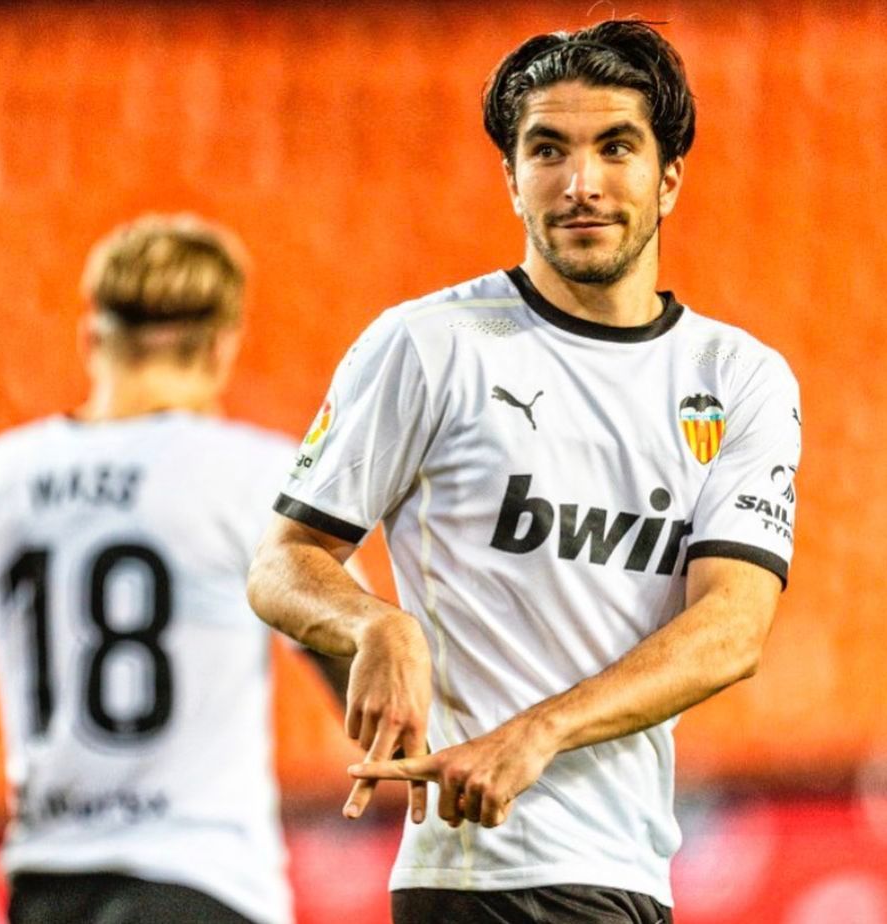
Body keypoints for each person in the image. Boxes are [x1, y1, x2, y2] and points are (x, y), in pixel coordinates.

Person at [247, 20, 801, 924]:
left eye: (615, 147)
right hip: (469, 875)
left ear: (669, 177)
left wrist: (539, 732)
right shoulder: (429, 345)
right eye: (548, 149)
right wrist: (376, 625)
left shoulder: (736, 377)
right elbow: (282, 561)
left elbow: (733, 626)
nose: (581, 183)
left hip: (628, 873)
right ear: (510, 177)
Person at [0, 214, 311, 924]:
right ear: (222, 347)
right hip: (204, 881)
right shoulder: (254, 477)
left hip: (47, 888)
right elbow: (364, 672)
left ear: (92, 338)